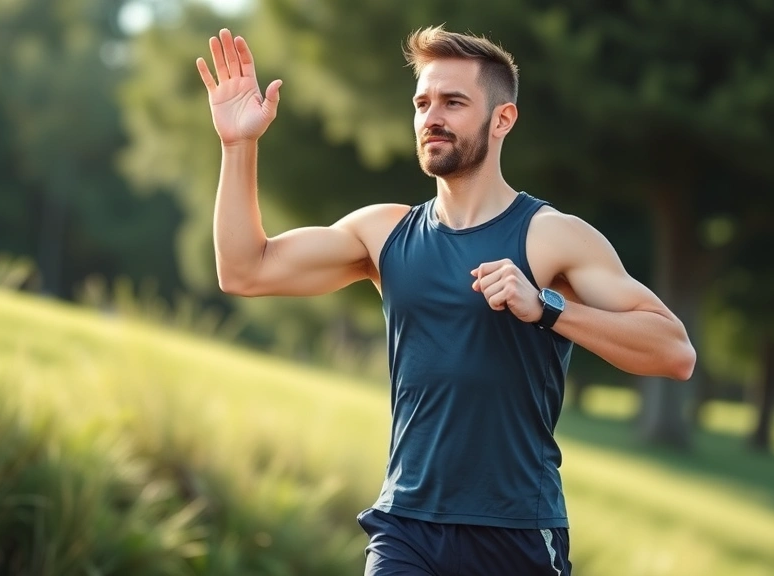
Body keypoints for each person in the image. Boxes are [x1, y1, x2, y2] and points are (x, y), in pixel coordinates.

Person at [195, 24, 696, 576]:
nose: (432, 116)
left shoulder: (551, 236)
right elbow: (245, 270)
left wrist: (548, 307)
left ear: (502, 119)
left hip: (517, 534)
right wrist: (238, 145)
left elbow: (673, 351)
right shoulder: (383, 234)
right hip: (406, 526)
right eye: (422, 102)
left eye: (453, 102)